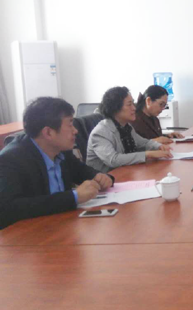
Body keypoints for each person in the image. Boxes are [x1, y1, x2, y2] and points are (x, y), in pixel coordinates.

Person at [0, 97, 113, 229]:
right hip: (30, 234)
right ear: (48, 132)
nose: (75, 130)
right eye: (70, 124)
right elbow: (8, 208)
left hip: (63, 226)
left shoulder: (60, 149)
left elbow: (80, 170)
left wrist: (101, 177)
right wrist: (74, 197)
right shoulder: (11, 159)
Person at [86, 86, 173, 173]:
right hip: (105, 178)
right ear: (115, 108)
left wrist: (159, 146)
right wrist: (147, 154)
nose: (134, 108)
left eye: (133, 103)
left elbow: (143, 143)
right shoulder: (100, 133)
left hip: (125, 172)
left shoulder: (126, 127)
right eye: (129, 104)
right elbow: (113, 160)